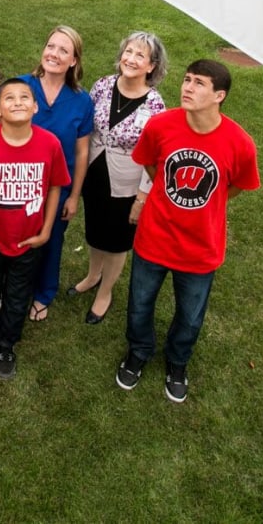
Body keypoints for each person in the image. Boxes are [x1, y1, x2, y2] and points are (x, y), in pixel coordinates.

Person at [115, 60, 260, 403]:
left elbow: (236, 185)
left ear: (219, 96)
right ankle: (138, 352)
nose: (188, 87)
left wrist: (211, 201)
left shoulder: (240, 143)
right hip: (154, 238)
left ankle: (177, 363)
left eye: (199, 84)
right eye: (187, 80)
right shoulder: (161, 125)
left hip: (200, 249)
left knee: (190, 315)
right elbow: (151, 163)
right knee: (139, 305)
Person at [0, 78, 70, 380]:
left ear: (35, 107)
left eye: (24, 97)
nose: (17, 102)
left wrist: (46, 231)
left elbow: (57, 185)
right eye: (9, 98)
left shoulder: (50, 144)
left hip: (28, 242)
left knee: (19, 296)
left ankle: (7, 344)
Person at [68, 32, 168, 325]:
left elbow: (155, 158)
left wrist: (142, 197)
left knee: (117, 240)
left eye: (140, 56)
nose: (131, 59)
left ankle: (105, 292)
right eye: (129, 52)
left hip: (126, 183)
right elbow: (86, 127)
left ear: (151, 66)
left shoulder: (155, 106)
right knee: (96, 229)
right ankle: (91, 275)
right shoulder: (102, 86)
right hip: (94, 172)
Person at [16, 26, 93, 323]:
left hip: (58, 188)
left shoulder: (81, 101)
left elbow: (82, 152)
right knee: (17, 239)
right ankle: (15, 289)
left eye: (64, 50)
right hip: (20, 181)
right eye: (51, 46)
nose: (54, 54)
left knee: (51, 242)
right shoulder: (22, 87)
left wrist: (74, 196)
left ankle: (43, 293)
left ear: (74, 61)